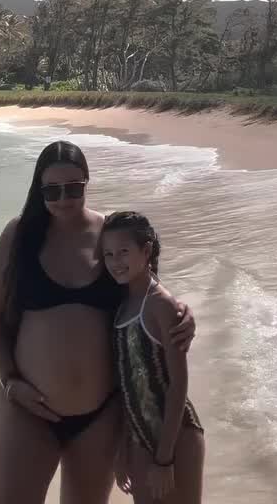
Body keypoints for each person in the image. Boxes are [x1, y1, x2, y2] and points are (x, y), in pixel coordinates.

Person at [0, 141, 197, 504]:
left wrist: (181, 312)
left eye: (73, 188)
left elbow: (147, 293)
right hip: (26, 411)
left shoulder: (108, 235)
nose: (64, 198)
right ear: (39, 189)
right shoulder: (19, 237)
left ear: (86, 183)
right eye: (52, 190)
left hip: (99, 416)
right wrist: (10, 379)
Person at [101, 211, 205, 504]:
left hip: (176, 436)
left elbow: (178, 385)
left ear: (145, 251)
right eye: (108, 254)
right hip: (140, 439)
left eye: (123, 252)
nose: (115, 261)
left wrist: (164, 459)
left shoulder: (160, 304)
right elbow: (126, 386)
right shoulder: (121, 307)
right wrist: (123, 449)